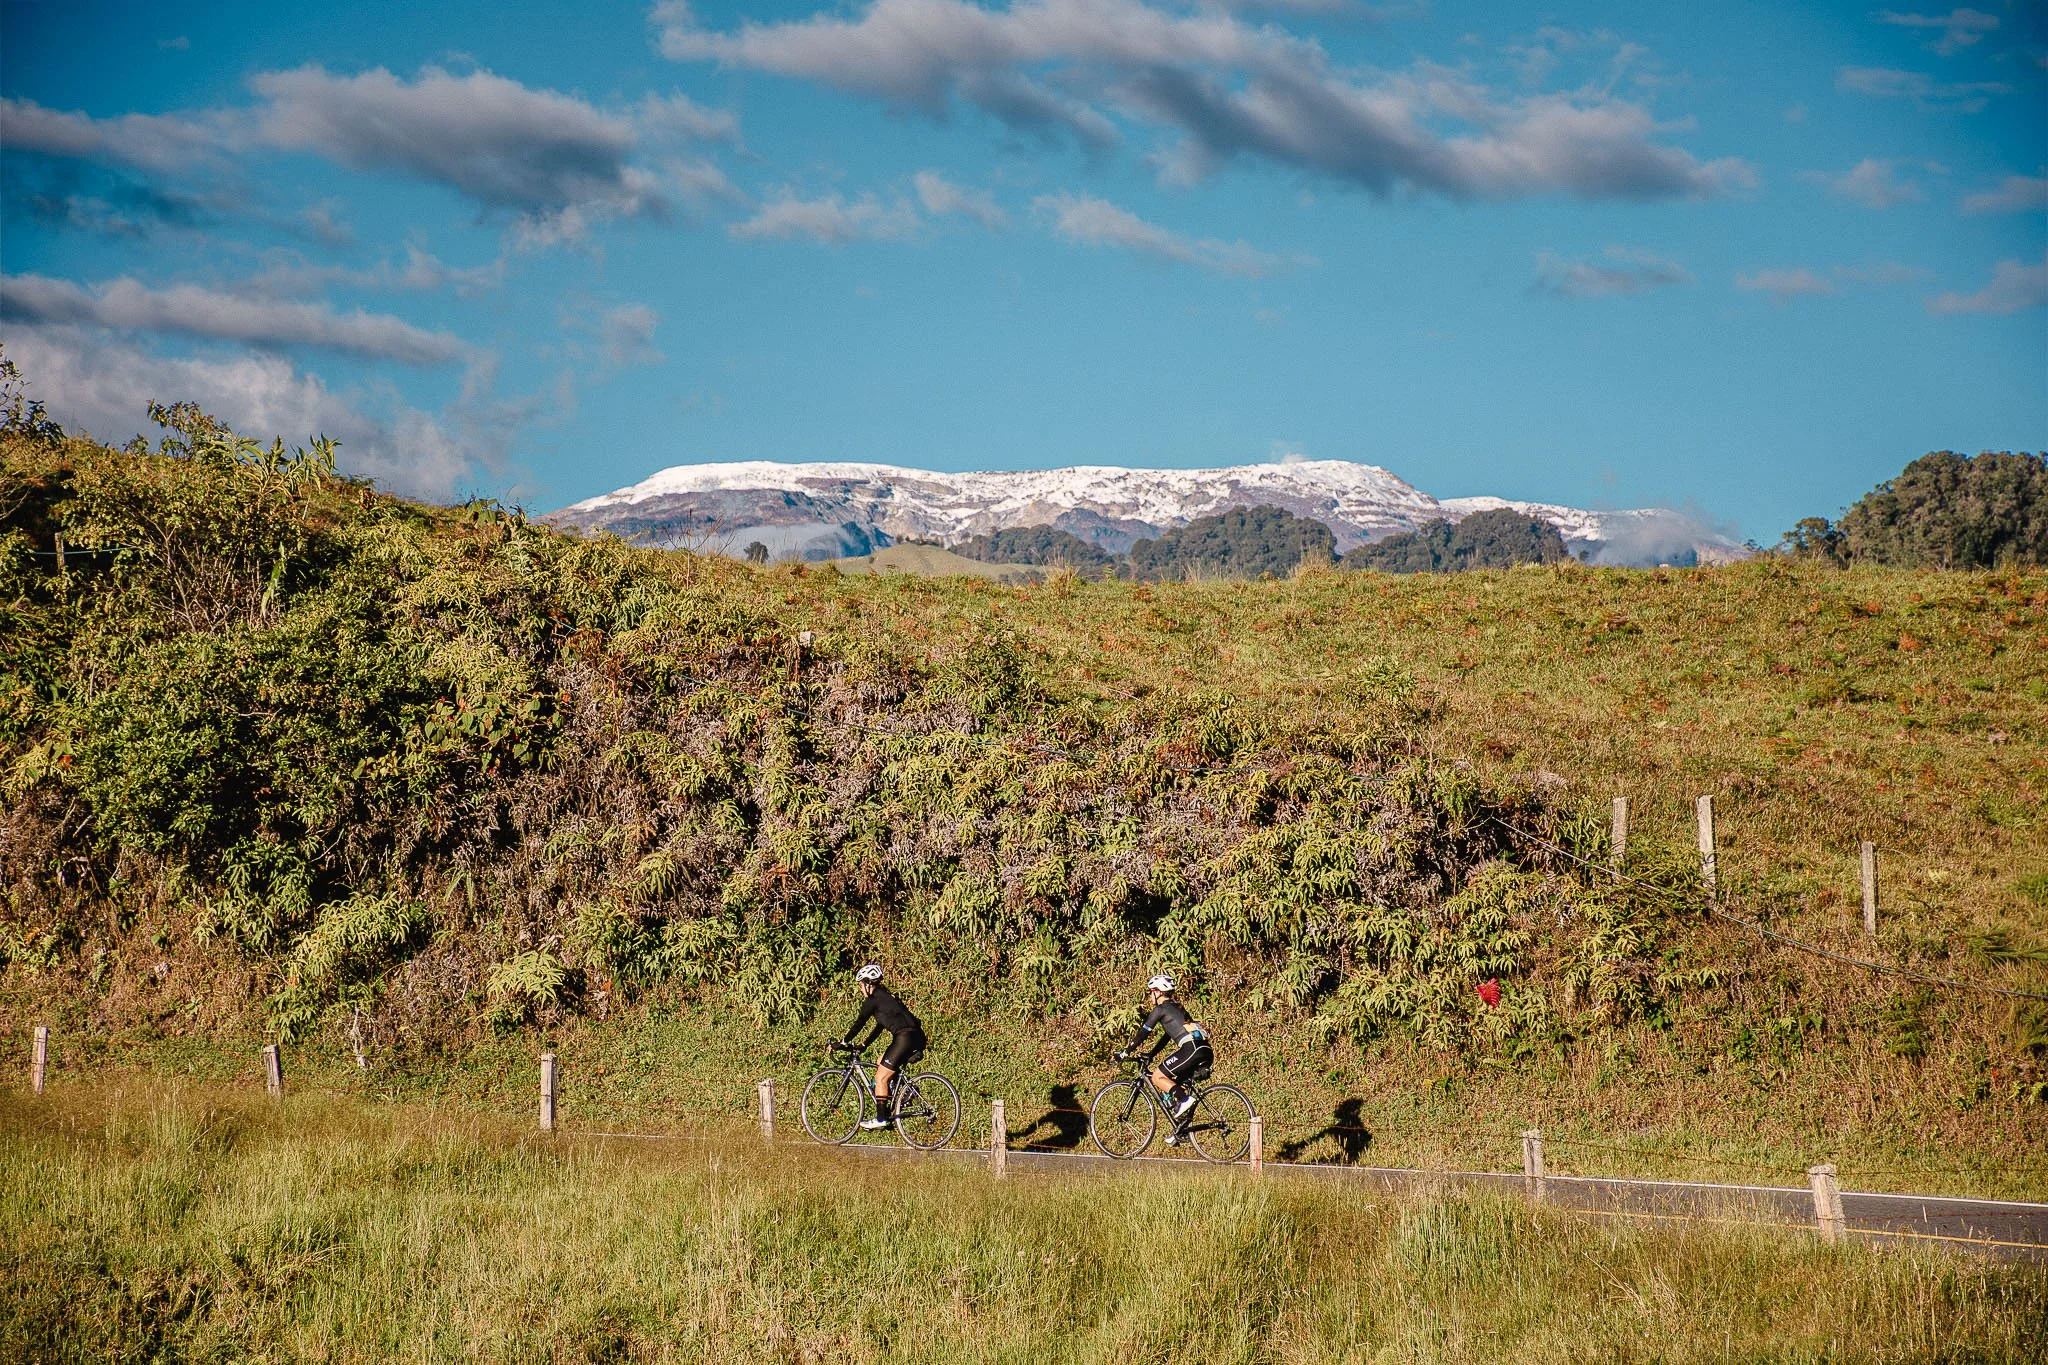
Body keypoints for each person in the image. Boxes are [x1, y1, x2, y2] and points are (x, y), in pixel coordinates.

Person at [1116, 973, 1213, 1139]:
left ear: (1157, 992)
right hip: (1205, 1049)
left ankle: (1184, 1100)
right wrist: (1151, 1054)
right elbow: (1167, 1037)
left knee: (1157, 1077)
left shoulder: (1160, 1009)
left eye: (1150, 992)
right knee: (1175, 1084)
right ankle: (1180, 1131)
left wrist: (1126, 1051)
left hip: (1191, 1048)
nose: (1150, 996)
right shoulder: (1176, 1008)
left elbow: (1143, 1033)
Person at [837, 962, 926, 1131]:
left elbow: (859, 1023)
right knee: (881, 1062)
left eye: (861, 985)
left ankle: (881, 1119)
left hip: (904, 1037)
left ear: (868, 983)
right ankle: (906, 1092)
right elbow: (880, 1026)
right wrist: (864, 1044)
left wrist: (843, 1042)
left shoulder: (873, 1001)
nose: (860, 989)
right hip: (914, 1036)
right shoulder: (885, 998)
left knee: (880, 1078)